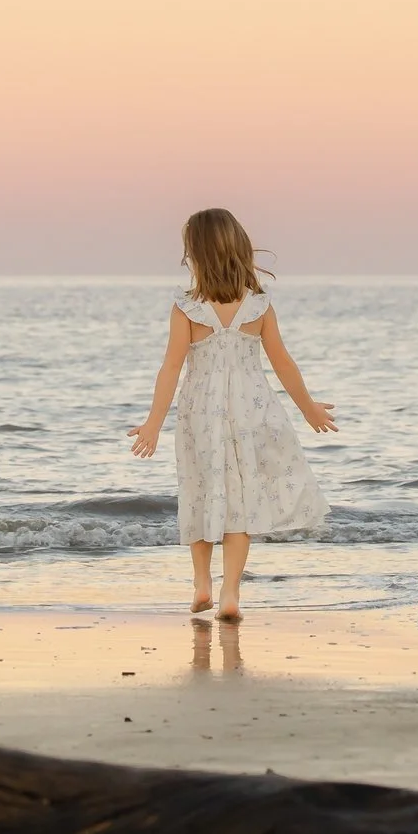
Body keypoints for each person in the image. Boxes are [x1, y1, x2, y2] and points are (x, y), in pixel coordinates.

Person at [128, 208, 335, 620]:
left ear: (198, 254)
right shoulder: (258, 307)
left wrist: (154, 422)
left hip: (201, 414)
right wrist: (307, 406)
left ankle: (202, 582)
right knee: (239, 502)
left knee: (201, 493)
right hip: (250, 412)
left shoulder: (187, 308)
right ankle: (230, 592)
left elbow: (170, 368)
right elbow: (283, 363)